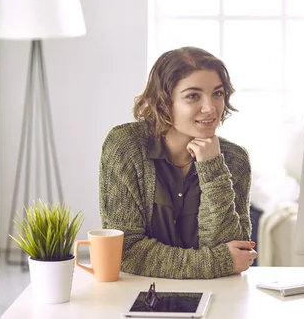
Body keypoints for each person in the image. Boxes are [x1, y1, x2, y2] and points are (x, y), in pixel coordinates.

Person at [99, 46, 257, 279]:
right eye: (193, 96)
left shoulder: (234, 159)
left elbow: (235, 249)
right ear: (164, 102)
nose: (210, 108)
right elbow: (125, 250)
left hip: (219, 294)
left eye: (218, 93)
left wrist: (212, 168)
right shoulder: (125, 147)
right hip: (140, 292)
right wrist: (217, 262)